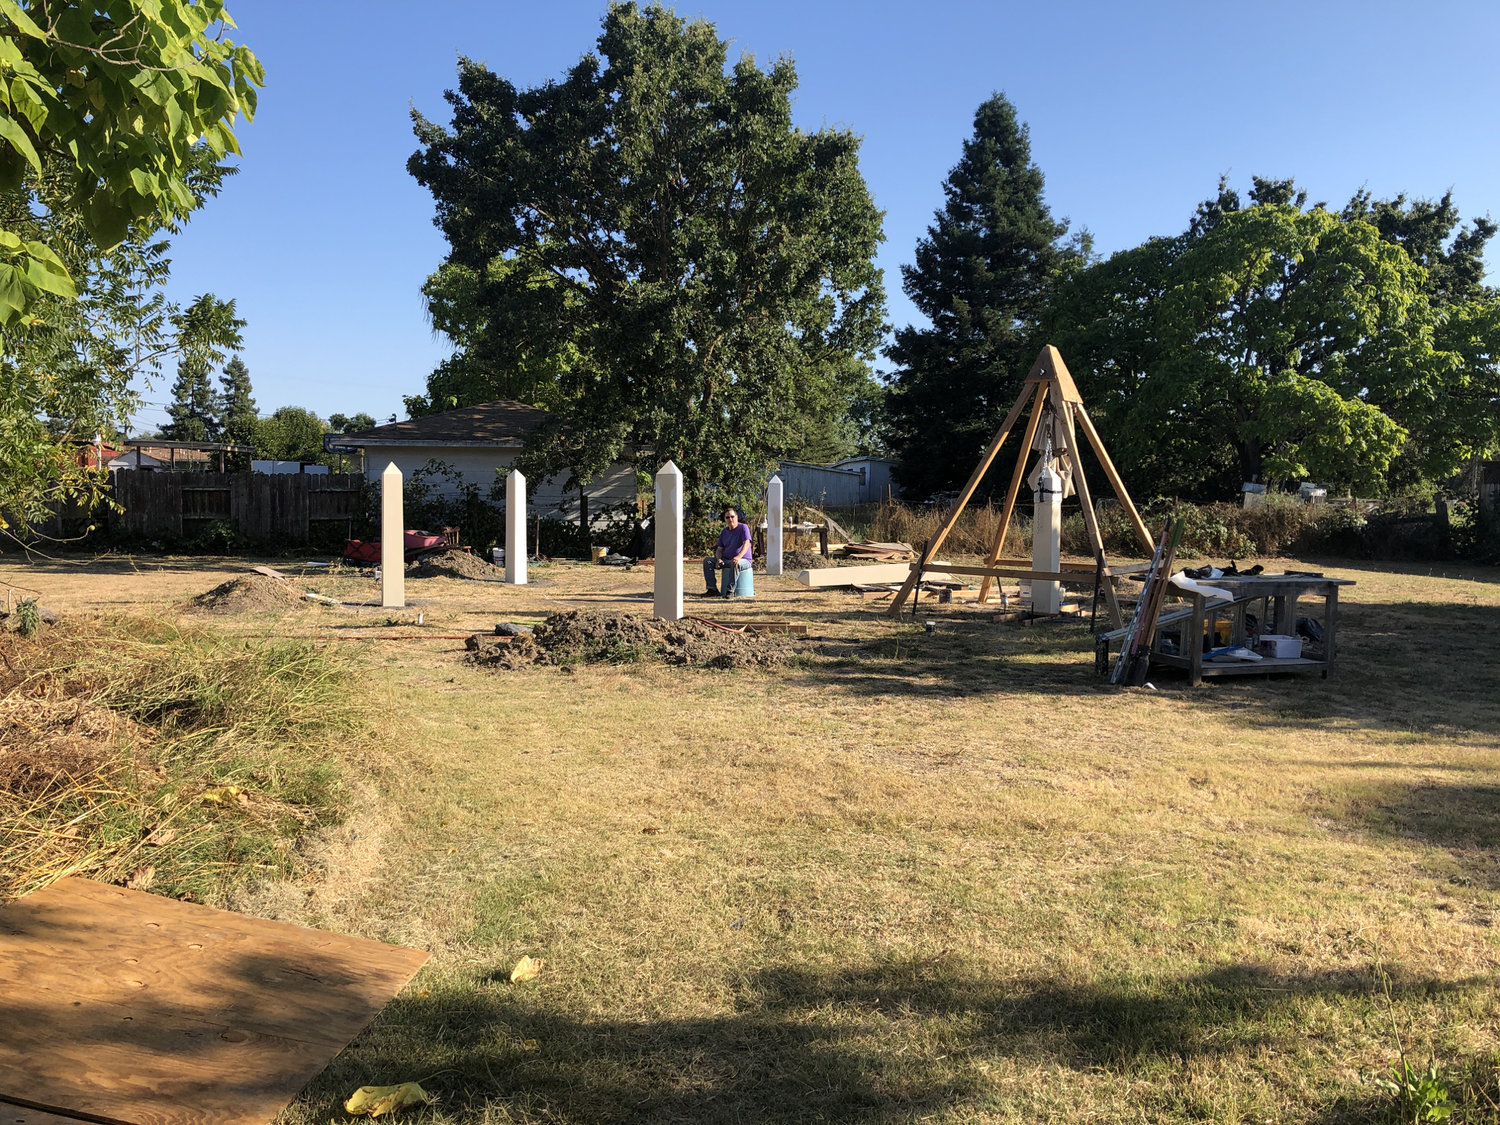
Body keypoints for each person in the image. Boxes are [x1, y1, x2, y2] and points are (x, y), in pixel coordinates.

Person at [702, 507, 752, 597]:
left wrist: (738, 557)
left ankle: (730, 591)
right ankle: (712, 589)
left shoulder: (743, 528)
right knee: (707, 561)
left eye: (732, 516)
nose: (730, 519)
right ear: (725, 519)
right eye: (727, 517)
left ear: (737, 517)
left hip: (743, 560)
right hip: (727, 560)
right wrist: (718, 559)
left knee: (736, 563)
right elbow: (719, 549)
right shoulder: (724, 532)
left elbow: (746, 544)